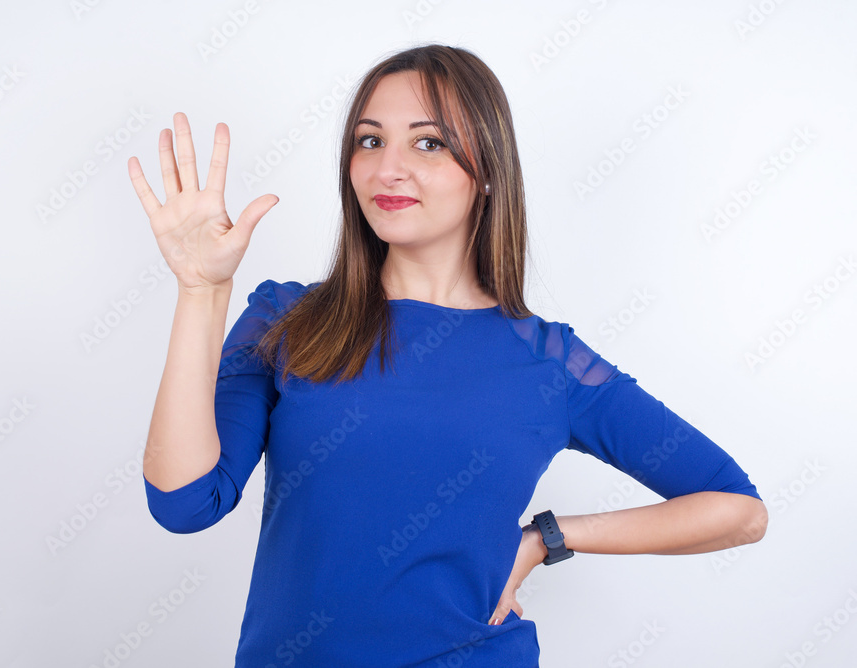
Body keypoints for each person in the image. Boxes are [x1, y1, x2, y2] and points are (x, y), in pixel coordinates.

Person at [127, 43, 767, 668]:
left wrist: (547, 539)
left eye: (427, 142)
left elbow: (738, 510)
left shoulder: (550, 361)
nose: (388, 168)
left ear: (486, 169)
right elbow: (184, 504)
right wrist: (202, 292)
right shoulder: (287, 319)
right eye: (370, 140)